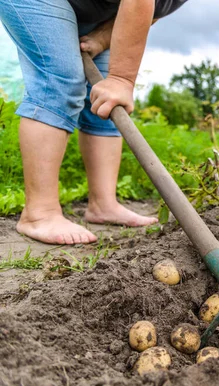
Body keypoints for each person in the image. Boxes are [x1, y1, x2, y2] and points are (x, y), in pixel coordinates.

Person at [0, 0, 187, 245]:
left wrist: (101, 38)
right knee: (60, 79)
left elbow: (152, 11)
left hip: (95, 11)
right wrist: (122, 78)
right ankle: (39, 214)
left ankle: (103, 204)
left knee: (107, 99)